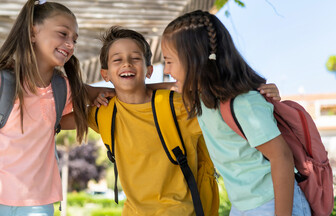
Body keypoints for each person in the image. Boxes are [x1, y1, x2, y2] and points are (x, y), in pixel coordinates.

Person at [68, 26, 281, 215]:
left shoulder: (178, 105)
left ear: (149, 70)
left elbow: (220, 98)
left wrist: (255, 92)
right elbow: (52, 115)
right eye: (117, 60)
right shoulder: (103, 112)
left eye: (135, 58)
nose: (127, 64)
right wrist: (93, 91)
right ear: (105, 74)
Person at [161, 10, 311, 216]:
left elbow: (282, 158)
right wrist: (116, 90)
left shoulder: (242, 103)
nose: (167, 69)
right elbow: (163, 88)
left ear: (195, 59)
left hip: (273, 203)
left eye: (169, 61)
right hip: (243, 206)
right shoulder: (203, 97)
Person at [0, 0, 106, 216]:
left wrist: (174, 86)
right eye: (63, 33)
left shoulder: (63, 87)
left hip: (38, 203)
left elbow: (122, 92)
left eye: (74, 39)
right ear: (33, 32)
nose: (70, 44)